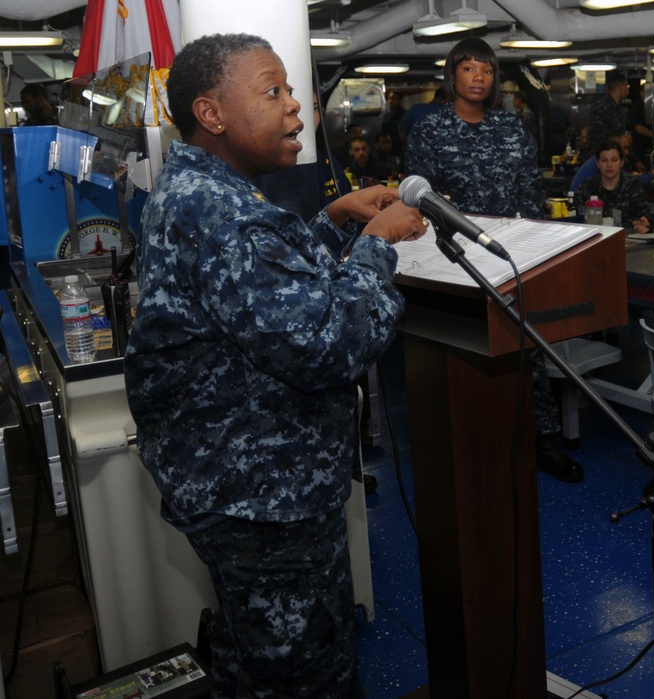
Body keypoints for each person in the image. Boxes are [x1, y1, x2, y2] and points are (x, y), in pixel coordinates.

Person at [123, 33, 428, 698]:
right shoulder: (226, 213)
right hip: (265, 502)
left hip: (237, 486)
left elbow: (257, 292)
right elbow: (329, 343)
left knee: (253, 659)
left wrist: (333, 221)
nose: (296, 108)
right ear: (212, 113)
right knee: (304, 675)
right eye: (273, 91)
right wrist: (376, 245)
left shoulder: (198, 190)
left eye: (293, 91)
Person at [406, 38, 581, 483]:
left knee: (528, 350)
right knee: (465, 354)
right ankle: (475, 443)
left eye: (486, 69)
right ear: (452, 76)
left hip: (511, 254)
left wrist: (534, 245)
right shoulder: (430, 131)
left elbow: (529, 188)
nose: (478, 77)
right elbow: (420, 201)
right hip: (455, 261)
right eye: (469, 69)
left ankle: (543, 440)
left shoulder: (511, 126)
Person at [573, 139, 650, 231]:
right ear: (597, 163)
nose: (609, 165)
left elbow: (643, 219)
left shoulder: (633, 187)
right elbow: (577, 219)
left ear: (621, 162)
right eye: (604, 160)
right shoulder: (586, 187)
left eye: (614, 160)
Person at [586, 70, 628, 158]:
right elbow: (594, 136)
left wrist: (635, 160)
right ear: (620, 86)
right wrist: (617, 139)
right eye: (626, 85)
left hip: (617, 157)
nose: (627, 88)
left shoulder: (619, 109)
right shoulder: (601, 107)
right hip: (601, 159)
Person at [627, 81, 654, 166]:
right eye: (646, 92)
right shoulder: (637, 107)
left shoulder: (653, 106)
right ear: (641, 92)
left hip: (650, 145)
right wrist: (653, 135)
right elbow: (638, 127)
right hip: (640, 147)